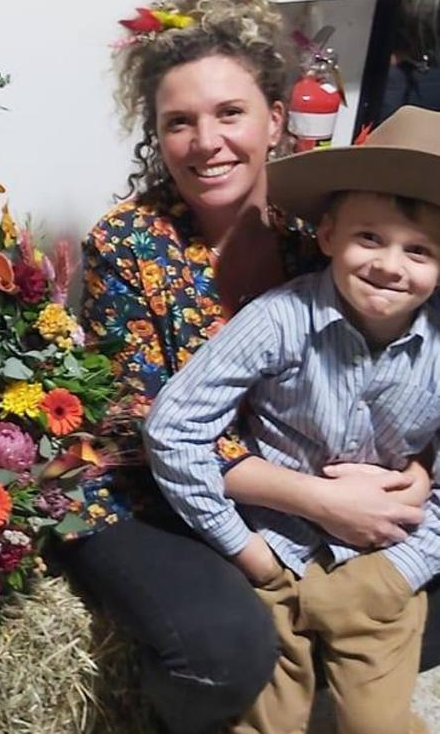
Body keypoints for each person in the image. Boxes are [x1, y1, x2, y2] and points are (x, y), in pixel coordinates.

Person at [61, 0, 436, 734]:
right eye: (179, 122)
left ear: (275, 116)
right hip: (144, 488)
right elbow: (142, 421)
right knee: (230, 649)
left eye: (230, 112)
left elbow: (385, 373)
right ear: (156, 136)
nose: (207, 141)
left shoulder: (335, 231)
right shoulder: (128, 242)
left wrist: (413, 467)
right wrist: (323, 503)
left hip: (284, 481)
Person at [145, 105, 440, 734]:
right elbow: (173, 427)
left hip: (379, 563)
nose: (390, 265)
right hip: (275, 557)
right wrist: (244, 549)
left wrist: (405, 570)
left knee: (381, 727)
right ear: (328, 235)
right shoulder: (280, 318)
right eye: (369, 238)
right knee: (262, 726)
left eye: (419, 251)